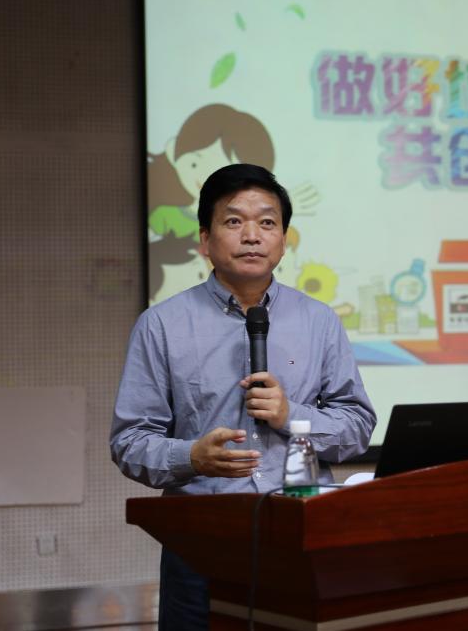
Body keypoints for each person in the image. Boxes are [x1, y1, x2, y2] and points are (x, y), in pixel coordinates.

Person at [110, 163, 376, 629]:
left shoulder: (318, 320)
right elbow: (130, 441)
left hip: (300, 536)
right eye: (234, 221)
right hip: (201, 544)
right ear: (205, 240)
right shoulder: (162, 325)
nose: (252, 235)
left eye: (267, 222)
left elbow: (356, 427)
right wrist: (191, 457)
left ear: (284, 240)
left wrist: (292, 415)